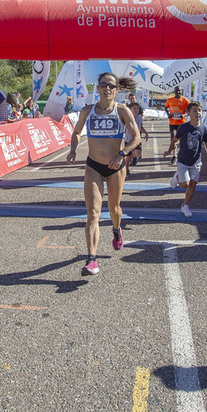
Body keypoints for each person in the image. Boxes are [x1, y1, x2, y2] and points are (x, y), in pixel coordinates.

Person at [66, 72, 140, 276]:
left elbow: (136, 137)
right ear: (97, 88)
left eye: (111, 85)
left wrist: (123, 153)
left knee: (114, 208)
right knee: (92, 213)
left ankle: (116, 230)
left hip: (115, 167)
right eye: (103, 85)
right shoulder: (87, 111)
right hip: (93, 166)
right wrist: (73, 149)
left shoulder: (123, 110)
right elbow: (77, 132)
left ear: (116, 89)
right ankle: (91, 259)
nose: (107, 88)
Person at [165, 101, 207, 217]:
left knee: (193, 186)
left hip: (196, 161)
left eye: (199, 110)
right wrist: (168, 151)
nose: (197, 113)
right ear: (188, 113)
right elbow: (174, 140)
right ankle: (177, 176)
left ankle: (185, 206)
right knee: (184, 185)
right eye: (194, 110)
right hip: (183, 160)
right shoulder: (183, 127)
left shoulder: (204, 129)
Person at [164, 86, 190, 164]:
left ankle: (180, 155)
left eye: (179, 91)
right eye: (176, 91)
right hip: (172, 122)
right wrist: (168, 114)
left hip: (181, 123)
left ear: (181, 91)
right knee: (173, 139)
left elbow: (189, 111)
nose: (178, 92)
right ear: (174, 91)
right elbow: (165, 107)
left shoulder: (185, 100)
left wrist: (184, 115)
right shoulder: (170, 100)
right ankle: (174, 156)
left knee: (181, 140)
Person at [123, 101, 149, 173]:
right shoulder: (127, 118)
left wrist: (146, 133)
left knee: (138, 154)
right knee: (127, 159)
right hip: (128, 140)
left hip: (137, 140)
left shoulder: (140, 118)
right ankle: (126, 170)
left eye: (137, 108)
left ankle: (133, 155)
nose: (136, 110)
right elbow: (123, 126)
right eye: (134, 108)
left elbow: (140, 126)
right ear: (130, 110)